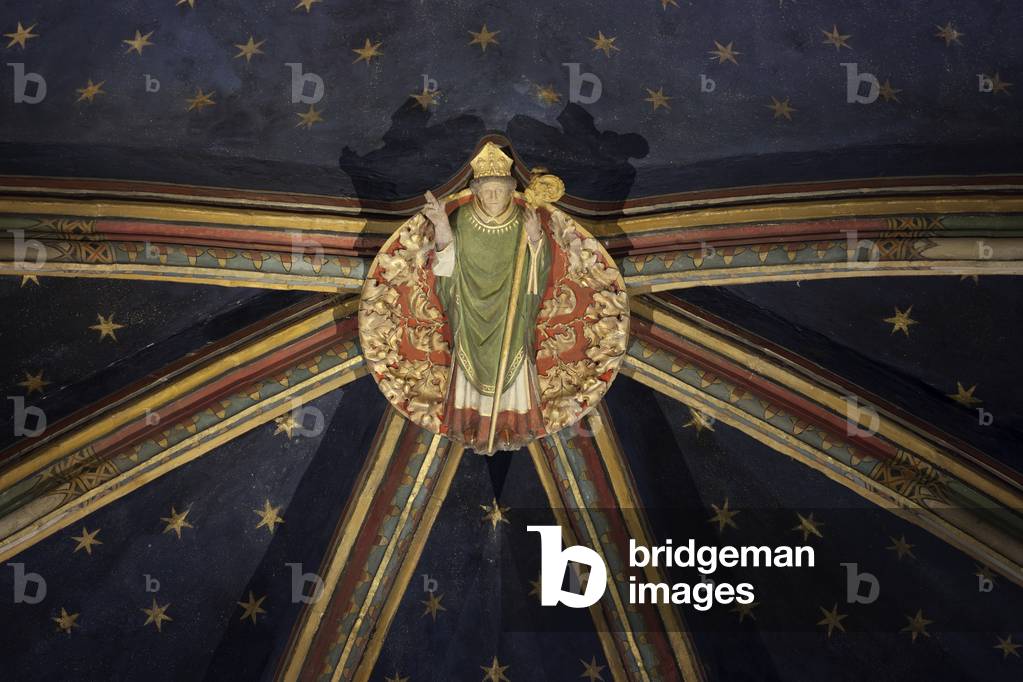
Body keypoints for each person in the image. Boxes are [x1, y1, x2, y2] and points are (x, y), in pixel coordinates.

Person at [421, 142, 552, 454]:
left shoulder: (524, 220)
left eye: (500, 189)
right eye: (487, 189)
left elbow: (539, 271)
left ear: (510, 190)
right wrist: (441, 225)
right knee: (469, 364)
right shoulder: (463, 219)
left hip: (511, 309)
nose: (493, 196)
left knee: (515, 360)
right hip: (469, 309)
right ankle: (473, 424)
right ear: (476, 191)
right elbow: (447, 265)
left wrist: (535, 238)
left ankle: (514, 424)